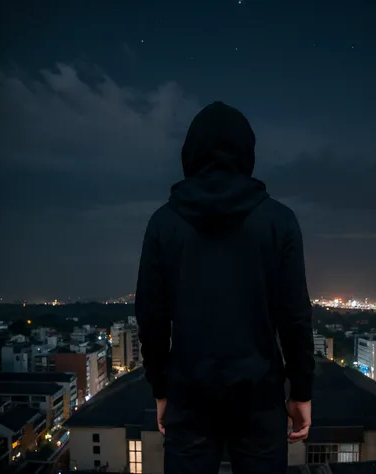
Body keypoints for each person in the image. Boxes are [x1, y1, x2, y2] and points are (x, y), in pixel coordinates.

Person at [135, 101, 315, 474]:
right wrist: (300, 391)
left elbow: (150, 317)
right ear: (247, 152)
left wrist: (161, 388)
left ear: (190, 153)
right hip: (260, 399)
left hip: (189, 396)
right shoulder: (279, 221)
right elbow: (295, 316)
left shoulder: (163, 223)